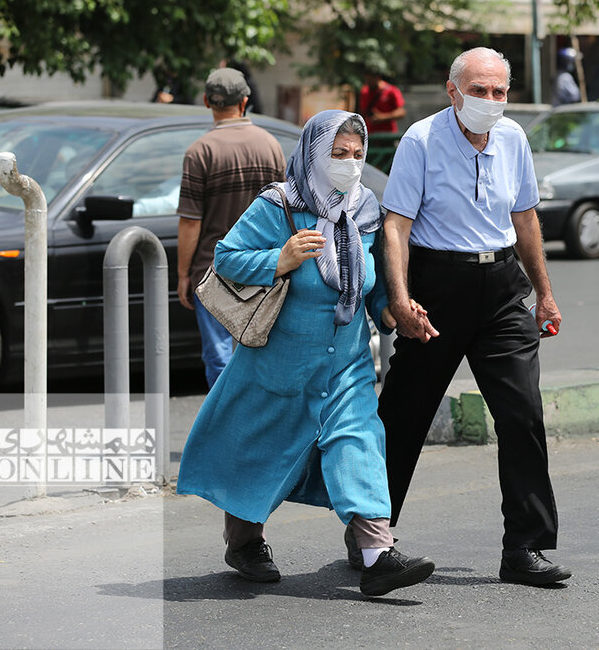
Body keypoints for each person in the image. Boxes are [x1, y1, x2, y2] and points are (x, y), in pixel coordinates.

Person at [177, 110, 436, 598]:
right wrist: (281, 257)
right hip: (279, 363)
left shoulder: (365, 210)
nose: (350, 165)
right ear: (314, 153)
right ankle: (245, 543)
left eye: (358, 155)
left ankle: (378, 554)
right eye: (338, 155)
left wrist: (395, 314)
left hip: (347, 362)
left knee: (358, 442)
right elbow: (227, 258)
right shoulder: (280, 206)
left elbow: (373, 288)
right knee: (262, 452)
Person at [365, 46, 571, 587]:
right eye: (479, 90)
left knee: (523, 413)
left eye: (499, 92)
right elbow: (396, 225)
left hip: (503, 288)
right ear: (453, 91)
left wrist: (543, 294)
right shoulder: (421, 139)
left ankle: (525, 547)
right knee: (404, 415)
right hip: (438, 285)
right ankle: (372, 540)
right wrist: (401, 298)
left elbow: (524, 216)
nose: (490, 101)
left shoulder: (513, 139)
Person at [176, 68, 286, 388]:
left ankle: (224, 427)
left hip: (212, 272)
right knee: (261, 352)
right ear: (245, 102)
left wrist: (184, 273)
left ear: (207, 101)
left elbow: (190, 221)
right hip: (264, 267)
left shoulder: (200, 152)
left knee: (219, 357)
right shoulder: (271, 145)